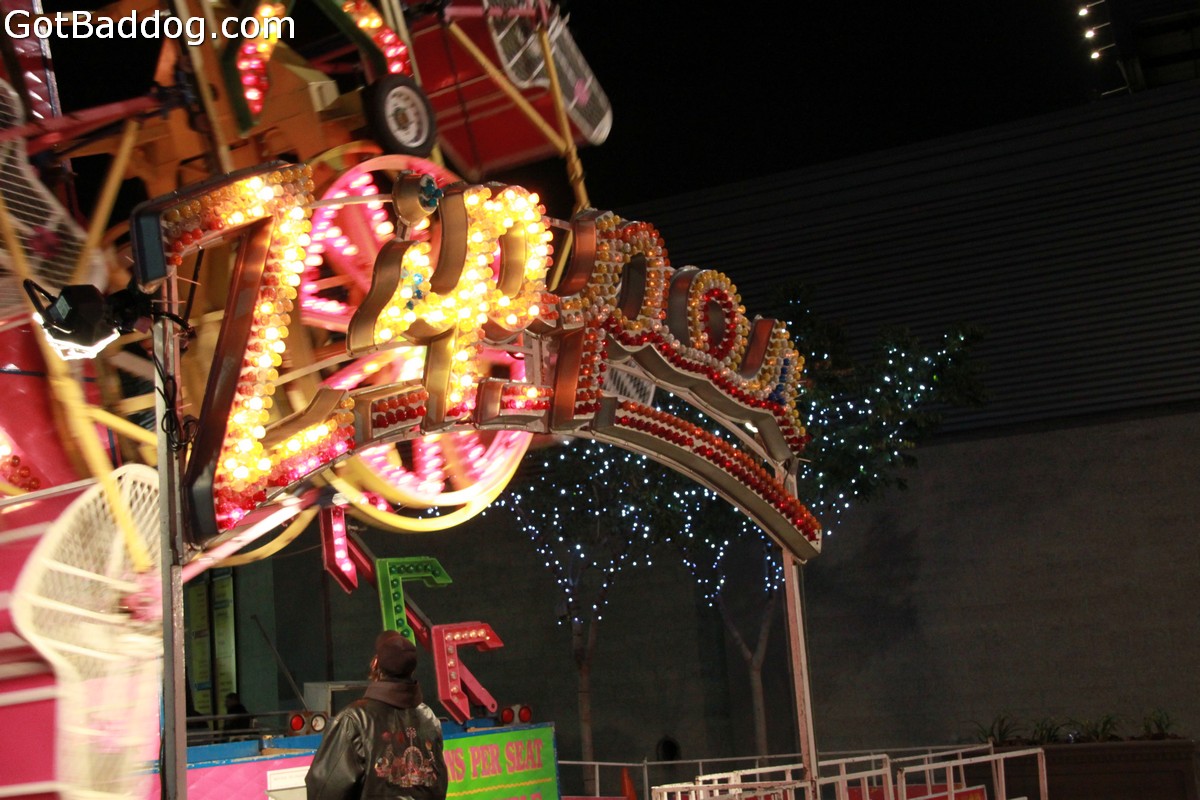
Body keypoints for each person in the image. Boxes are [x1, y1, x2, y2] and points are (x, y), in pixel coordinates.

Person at [306, 631, 448, 800]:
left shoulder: (355, 719)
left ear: (375, 664)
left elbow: (326, 788)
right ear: (412, 669)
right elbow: (438, 784)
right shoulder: (429, 717)